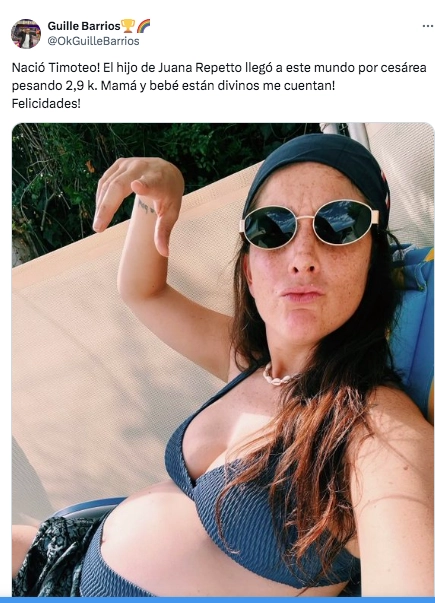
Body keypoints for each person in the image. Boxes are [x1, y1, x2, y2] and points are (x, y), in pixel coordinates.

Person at [12, 133, 433, 597]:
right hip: (67, 557)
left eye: (339, 223)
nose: (302, 258)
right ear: (250, 272)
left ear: (372, 260)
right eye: (272, 228)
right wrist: (158, 196)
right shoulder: (247, 361)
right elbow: (142, 291)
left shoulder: (375, 431)